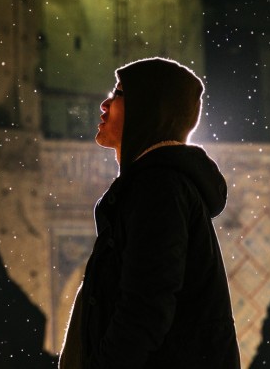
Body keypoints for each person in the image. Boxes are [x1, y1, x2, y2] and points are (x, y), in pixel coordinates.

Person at [59, 57, 241, 369]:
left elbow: (144, 307)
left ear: (148, 108)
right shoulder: (155, 185)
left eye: (119, 94)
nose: (104, 104)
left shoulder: (158, 187)